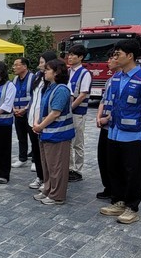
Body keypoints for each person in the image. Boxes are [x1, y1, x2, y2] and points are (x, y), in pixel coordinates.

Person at [98, 39, 141, 224]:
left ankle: (132, 207)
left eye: (118, 54)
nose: (114, 57)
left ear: (130, 56)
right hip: (113, 131)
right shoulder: (115, 78)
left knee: (132, 171)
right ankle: (118, 200)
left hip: (132, 134)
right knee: (114, 168)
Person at [32, 58, 75, 205]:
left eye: (48, 69)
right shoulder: (50, 87)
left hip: (58, 134)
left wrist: (40, 126)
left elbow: (55, 113)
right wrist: (38, 123)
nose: (45, 71)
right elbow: (43, 108)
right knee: (48, 165)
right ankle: (48, 189)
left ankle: (57, 195)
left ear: (56, 72)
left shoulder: (61, 89)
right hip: (47, 133)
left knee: (57, 166)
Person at [27, 51, 58, 190]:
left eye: (42, 62)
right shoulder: (37, 77)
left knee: (45, 153)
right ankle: (40, 177)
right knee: (36, 150)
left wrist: (41, 121)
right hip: (32, 119)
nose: (40, 65)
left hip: (43, 121)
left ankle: (47, 180)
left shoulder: (52, 81)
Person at [95, 52, 120, 200]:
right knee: (102, 157)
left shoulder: (123, 80)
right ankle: (108, 187)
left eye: (112, 58)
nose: (108, 61)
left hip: (114, 126)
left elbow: (120, 106)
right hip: (104, 125)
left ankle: (115, 190)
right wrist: (99, 116)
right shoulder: (110, 80)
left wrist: (107, 118)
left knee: (113, 160)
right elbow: (103, 100)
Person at [65, 44, 92, 182]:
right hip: (68, 112)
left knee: (78, 142)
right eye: (69, 54)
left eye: (73, 55)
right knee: (68, 141)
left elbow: (82, 95)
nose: (69, 57)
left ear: (81, 57)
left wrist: (70, 108)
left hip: (77, 112)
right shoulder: (68, 72)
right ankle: (68, 168)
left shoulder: (84, 73)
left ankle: (78, 169)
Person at [11, 57, 35, 169]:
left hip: (29, 113)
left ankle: (35, 160)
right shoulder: (15, 80)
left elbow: (34, 96)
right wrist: (14, 108)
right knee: (21, 137)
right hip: (17, 113)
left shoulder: (33, 78)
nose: (14, 67)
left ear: (24, 66)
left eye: (17, 65)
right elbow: (11, 95)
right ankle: (22, 158)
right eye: (14, 65)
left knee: (33, 137)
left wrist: (25, 108)